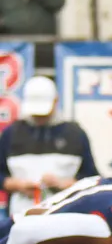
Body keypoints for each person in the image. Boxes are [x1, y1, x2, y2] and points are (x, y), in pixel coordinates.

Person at [0, 77, 98, 215]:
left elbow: (92, 178)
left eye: (44, 113)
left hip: (66, 216)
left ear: (56, 101)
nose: (39, 118)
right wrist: (18, 185)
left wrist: (64, 184)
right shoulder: (10, 134)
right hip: (19, 216)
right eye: (35, 113)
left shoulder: (75, 134)